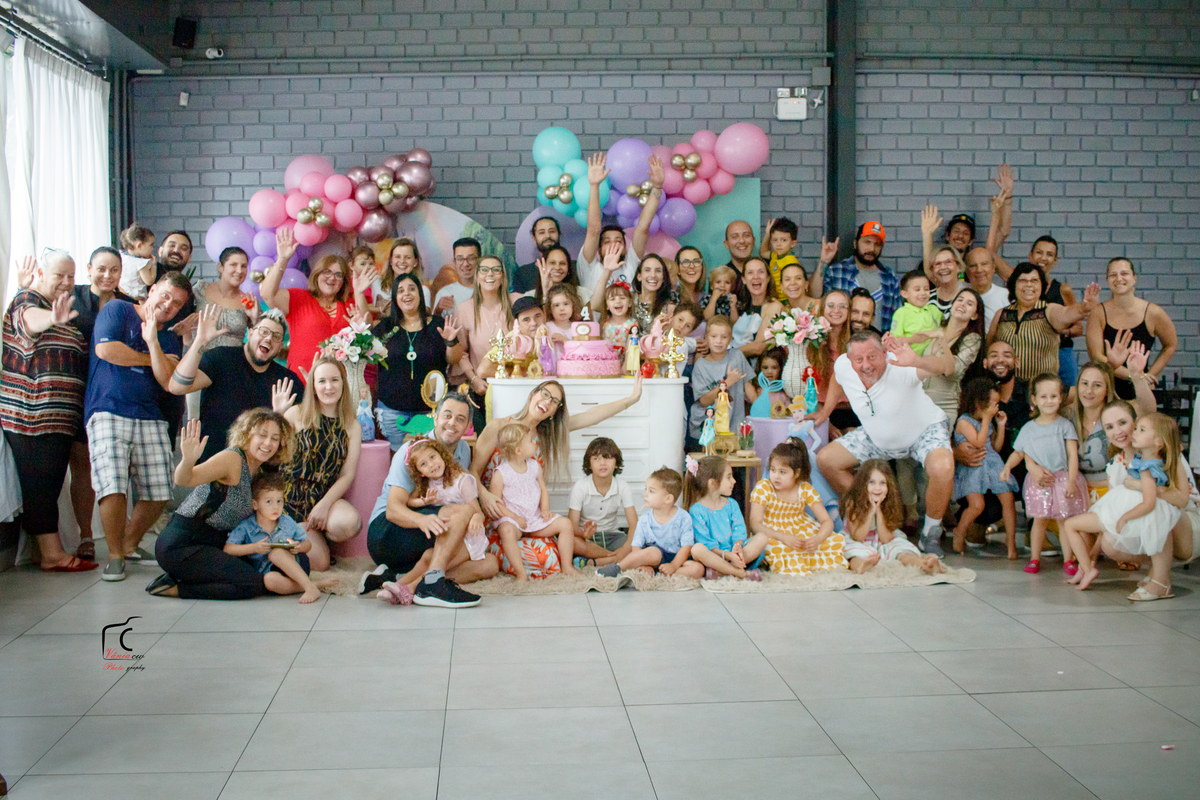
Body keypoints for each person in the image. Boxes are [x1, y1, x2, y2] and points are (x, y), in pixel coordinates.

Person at [87, 271, 192, 581]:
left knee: (161, 490)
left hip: (150, 414)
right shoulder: (118, 309)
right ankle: (115, 556)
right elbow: (107, 351)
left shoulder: (168, 336)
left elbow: (168, 380)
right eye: (165, 296)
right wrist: (152, 356)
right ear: (153, 289)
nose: (168, 305)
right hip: (108, 408)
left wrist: (156, 346)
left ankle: (129, 544)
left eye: (177, 304)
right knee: (112, 484)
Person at [815, 330, 956, 556]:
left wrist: (917, 360)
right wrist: (825, 413)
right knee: (826, 460)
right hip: (877, 434)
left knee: (942, 467)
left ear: (884, 353)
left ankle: (931, 532)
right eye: (859, 359)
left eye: (872, 357)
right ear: (850, 360)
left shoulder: (901, 365)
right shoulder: (843, 365)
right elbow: (836, 379)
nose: (866, 365)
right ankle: (871, 514)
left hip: (922, 431)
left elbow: (947, 368)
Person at [1, 251, 95, 572]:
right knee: (40, 484)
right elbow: (31, 321)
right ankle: (53, 555)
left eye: (71, 276)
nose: (66, 282)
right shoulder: (27, 301)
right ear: (41, 274)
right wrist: (52, 318)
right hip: (32, 414)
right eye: (59, 275)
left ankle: (43, 552)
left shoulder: (64, 309)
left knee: (50, 483)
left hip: (60, 417)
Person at [362, 392, 497, 607]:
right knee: (462, 512)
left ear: (467, 426)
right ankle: (433, 584)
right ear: (435, 417)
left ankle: (403, 581)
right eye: (447, 416)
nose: (452, 423)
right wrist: (422, 520)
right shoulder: (413, 452)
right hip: (386, 533)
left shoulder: (463, 450)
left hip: (428, 534)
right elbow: (393, 510)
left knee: (489, 563)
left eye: (460, 419)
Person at [148, 409, 294, 599]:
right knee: (252, 583)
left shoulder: (259, 470)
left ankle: (185, 577)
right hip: (182, 544)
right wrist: (188, 460)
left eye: (275, 438)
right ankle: (175, 588)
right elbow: (183, 479)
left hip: (214, 544)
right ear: (247, 434)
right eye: (262, 435)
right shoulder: (233, 458)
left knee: (269, 568)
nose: (268, 443)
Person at [1064, 413, 1183, 595]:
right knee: (1072, 525)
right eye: (1136, 428)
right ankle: (1085, 568)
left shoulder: (1147, 468)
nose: (1134, 433)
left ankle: (1088, 569)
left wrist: (1125, 517)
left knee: (1071, 525)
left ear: (1158, 442)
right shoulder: (1140, 462)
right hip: (1119, 506)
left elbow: (1149, 502)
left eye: (1141, 430)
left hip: (1126, 509)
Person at [65, 247, 134, 561]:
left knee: (118, 466)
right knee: (82, 463)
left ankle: (122, 536)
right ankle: (85, 535)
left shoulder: (128, 304)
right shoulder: (72, 298)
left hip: (114, 393)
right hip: (75, 389)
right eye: (101, 269)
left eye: (114, 270)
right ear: (89, 269)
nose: (108, 275)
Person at [163, 306, 300, 462]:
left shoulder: (287, 381)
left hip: (260, 469)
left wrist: (280, 416)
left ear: (280, 346)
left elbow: (304, 424)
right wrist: (200, 341)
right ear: (250, 333)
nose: (269, 338)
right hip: (213, 463)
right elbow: (177, 387)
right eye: (264, 331)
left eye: (276, 336)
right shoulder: (221, 358)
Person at [377, 437, 487, 604]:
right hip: (449, 536)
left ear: (441, 455)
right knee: (428, 556)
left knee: (442, 562)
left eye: (432, 457)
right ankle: (396, 587)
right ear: (420, 472)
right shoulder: (428, 484)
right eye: (423, 464)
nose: (431, 464)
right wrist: (425, 502)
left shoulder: (462, 480)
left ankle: (411, 588)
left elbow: (475, 510)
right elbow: (409, 501)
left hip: (469, 539)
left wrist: (478, 517)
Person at [999, 374, 1090, 574]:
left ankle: (1068, 559)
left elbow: (1072, 455)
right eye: (1044, 397)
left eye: (1053, 396)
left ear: (1061, 398)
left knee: (1064, 520)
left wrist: (1072, 481)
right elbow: (1018, 453)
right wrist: (1007, 467)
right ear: (1034, 399)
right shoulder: (1028, 428)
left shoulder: (1065, 425)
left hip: (1062, 479)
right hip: (1039, 482)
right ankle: (1034, 558)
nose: (1049, 401)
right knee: (1039, 520)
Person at [281, 356, 363, 572]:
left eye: (334, 380)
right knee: (320, 564)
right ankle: (296, 535)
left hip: (322, 497)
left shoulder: (352, 426)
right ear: (313, 386)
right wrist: (277, 415)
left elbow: (347, 474)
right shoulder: (296, 414)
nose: (329, 387)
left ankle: (316, 534)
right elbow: (272, 455)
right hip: (289, 499)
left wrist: (325, 504)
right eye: (322, 381)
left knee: (351, 522)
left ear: (343, 383)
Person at [259, 227, 370, 380]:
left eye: (339, 275)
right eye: (327, 272)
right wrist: (282, 259)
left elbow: (366, 326)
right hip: (301, 380)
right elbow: (267, 294)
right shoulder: (298, 297)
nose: (332, 278)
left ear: (343, 282)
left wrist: (359, 292)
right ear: (317, 275)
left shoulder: (347, 303)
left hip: (338, 382)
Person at [375, 273, 464, 448]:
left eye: (412, 289)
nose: (406, 294)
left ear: (420, 295)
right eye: (401, 290)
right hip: (392, 411)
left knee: (428, 457)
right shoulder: (386, 327)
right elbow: (366, 355)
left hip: (429, 413)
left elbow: (454, 359)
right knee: (396, 459)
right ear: (395, 298)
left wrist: (451, 341)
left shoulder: (438, 325)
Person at [489, 423, 578, 581]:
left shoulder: (534, 466)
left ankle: (567, 566)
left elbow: (543, 489)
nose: (535, 442)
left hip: (534, 518)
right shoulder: (501, 473)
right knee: (506, 531)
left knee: (566, 524)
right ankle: (521, 572)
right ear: (518, 450)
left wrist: (545, 510)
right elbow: (496, 503)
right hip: (512, 519)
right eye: (530, 441)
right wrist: (514, 518)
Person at [988, 262, 1099, 385]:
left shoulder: (1048, 310)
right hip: (1007, 389)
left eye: (1034, 281)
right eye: (1023, 280)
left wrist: (1083, 308)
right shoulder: (1002, 314)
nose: (1029, 284)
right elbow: (988, 348)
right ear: (1014, 285)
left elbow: (1066, 313)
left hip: (1042, 390)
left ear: (1042, 286)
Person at [1086, 256, 1178, 401]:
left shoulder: (1153, 313)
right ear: (1107, 280)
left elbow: (1171, 345)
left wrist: (1150, 375)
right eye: (1113, 275)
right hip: (1107, 389)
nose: (1119, 279)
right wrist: (1133, 375)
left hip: (1140, 390)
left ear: (1134, 278)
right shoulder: (1098, 313)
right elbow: (1096, 357)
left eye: (1124, 273)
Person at [224, 472, 325, 603]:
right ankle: (314, 585)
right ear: (255, 504)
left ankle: (309, 588)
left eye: (279, 501)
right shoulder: (246, 526)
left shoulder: (287, 521)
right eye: (269, 502)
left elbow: (308, 545)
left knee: (275, 553)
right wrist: (254, 548)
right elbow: (228, 549)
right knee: (269, 581)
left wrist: (298, 547)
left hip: (296, 564)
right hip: (270, 571)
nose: (275, 506)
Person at [750, 439, 846, 575]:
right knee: (779, 549)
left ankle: (809, 560)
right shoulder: (764, 488)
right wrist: (783, 537)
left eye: (783, 472)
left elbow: (826, 521)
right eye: (773, 470)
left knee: (836, 541)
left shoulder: (804, 489)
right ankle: (795, 563)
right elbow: (755, 523)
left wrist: (817, 539)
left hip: (801, 530)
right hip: (774, 533)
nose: (776, 476)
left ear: (796, 473)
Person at [951, 378, 1019, 557]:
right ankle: (959, 531)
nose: (995, 407)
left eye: (997, 403)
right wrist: (988, 419)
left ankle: (1011, 542)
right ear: (978, 402)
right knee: (977, 505)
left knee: (1008, 499)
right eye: (992, 403)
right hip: (974, 468)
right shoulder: (964, 422)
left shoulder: (986, 421)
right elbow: (979, 442)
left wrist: (1001, 426)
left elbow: (995, 447)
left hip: (993, 464)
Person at [597, 467, 704, 578]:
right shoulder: (645, 519)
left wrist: (673, 565)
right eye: (646, 489)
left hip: (676, 558)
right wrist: (642, 564)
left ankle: (661, 574)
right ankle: (619, 568)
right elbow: (636, 546)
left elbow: (686, 546)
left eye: (651, 491)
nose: (645, 494)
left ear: (668, 499)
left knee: (698, 569)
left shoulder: (684, 517)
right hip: (654, 557)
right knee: (654, 552)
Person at [840, 460, 942, 574]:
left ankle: (925, 565)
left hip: (882, 540)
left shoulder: (889, 502)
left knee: (901, 549)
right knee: (856, 554)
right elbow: (858, 537)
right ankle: (861, 566)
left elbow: (886, 539)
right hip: (859, 541)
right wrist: (871, 510)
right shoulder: (853, 502)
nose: (877, 488)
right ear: (862, 484)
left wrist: (878, 510)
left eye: (882, 483)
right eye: (872, 482)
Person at [683, 454, 769, 580]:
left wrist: (737, 547)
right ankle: (739, 573)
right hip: (713, 556)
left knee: (762, 538)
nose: (734, 481)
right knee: (697, 549)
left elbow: (739, 530)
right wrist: (726, 555)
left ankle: (723, 571)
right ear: (712, 483)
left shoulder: (731, 504)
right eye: (729, 477)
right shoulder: (696, 510)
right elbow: (705, 542)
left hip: (734, 555)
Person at [454, 254, 514, 429]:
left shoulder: (515, 302)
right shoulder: (464, 309)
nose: (490, 274)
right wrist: (473, 379)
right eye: (484, 270)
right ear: (477, 276)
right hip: (481, 387)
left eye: (496, 270)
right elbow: (461, 353)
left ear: (503, 276)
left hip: (513, 385)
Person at [813, 222, 901, 331]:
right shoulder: (837, 271)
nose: (871, 248)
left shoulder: (890, 277)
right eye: (867, 242)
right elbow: (815, 296)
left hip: (878, 340)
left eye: (877, 244)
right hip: (842, 340)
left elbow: (898, 316)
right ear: (855, 243)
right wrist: (823, 261)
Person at [567, 437, 637, 564]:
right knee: (569, 542)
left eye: (608, 458)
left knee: (637, 543)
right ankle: (613, 558)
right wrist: (584, 534)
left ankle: (596, 561)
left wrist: (625, 549)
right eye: (596, 458)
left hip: (613, 536)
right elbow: (572, 526)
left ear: (616, 463)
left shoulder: (622, 486)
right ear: (589, 464)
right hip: (587, 539)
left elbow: (634, 524)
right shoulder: (580, 487)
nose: (602, 463)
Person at [921, 288, 986, 422]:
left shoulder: (972, 339)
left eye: (969, 304)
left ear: (975, 316)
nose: (962, 304)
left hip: (943, 406)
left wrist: (942, 339)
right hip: (918, 400)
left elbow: (955, 370)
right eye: (960, 300)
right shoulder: (937, 327)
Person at [688, 316, 751, 447]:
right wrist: (728, 382)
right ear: (706, 338)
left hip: (733, 428)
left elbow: (748, 386)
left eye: (724, 337)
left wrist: (761, 409)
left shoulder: (736, 356)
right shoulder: (700, 365)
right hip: (706, 430)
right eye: (714, 336)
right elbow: (704, 400)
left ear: (730, 339)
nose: (718, 341)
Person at [193, 246, 259, 350]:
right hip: (199, 357)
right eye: (233, 265)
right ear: (220, 267)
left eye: (243, 266)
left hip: (234, 358)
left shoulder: (248, 301)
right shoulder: (200, 290)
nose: (239, 271)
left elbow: (258, 341)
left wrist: (255, 319)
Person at [890, 269, 943, 356]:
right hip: (908, 360)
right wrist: (912, 340)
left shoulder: (934, 310)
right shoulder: (901, 313)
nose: (923, 293)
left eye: (926, 289)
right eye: (917, 289)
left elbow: (944, 327)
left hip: (932, 359)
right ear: (905, 294)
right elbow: (893, 341)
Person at [376, 237, 433, 312]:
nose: (402, 261)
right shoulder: (376, 283)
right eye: (397, 257)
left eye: (407, 257)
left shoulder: (423, 291)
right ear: (391, 261)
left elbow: (423, 316)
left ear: (415, 262)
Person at [733, 257, 775, 357]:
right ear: (744, 279)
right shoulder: (743, 305)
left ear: (768, 278)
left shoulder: (773, 306)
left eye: (761, 272)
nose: (756, 277)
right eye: (750, 272)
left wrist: (725, 354)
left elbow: (758, 347)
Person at [511, 216, 562, 295]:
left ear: (559, 236)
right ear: (534, 238)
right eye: (542, 232)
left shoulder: (572, 268)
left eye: (552, 231)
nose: (548, 236)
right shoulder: (523, 273)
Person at [431, 237, 480, 315]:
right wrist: (438, 310)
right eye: (460, 259)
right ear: (454, 262)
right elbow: (435, 321)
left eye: (471, 258)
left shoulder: (490, 290)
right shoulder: (445, 293)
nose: (465, 264)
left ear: (479, 260)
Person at [963, 248, 1009, 331]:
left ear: (993, 268)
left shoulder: (1006, 297)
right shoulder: (959, 294)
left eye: (984, 264)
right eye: (973, 265)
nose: (979, 270)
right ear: (966, 271)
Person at [759, 217, 800, 300]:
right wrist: (767, 234)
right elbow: (763, 252)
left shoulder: (791, 263)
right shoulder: (775, 255)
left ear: (793, 243)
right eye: (775, 240)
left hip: (785, 300)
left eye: (784, 240)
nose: (778, 244)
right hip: (774, 298)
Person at [629, 253, 672, 331]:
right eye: (647, 270)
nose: (653, 275)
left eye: (658, 271)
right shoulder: (628, 299)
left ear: (663, 278)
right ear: (639, 276)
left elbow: (668, 336)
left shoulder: (668, 306)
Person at [922, 245, 967, 318]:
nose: (943, 267)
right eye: (938, 264)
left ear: (958, 266)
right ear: (933, 270)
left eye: (948, 262)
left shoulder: (969, 297)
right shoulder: (926, 299)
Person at [117, 222, 156, 299]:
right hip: (138, 297)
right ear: (139, 245)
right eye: (151, 245)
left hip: (121, 293)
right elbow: (149, 281)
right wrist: (154, 266)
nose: (152, 248)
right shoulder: (141, 263)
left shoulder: (121, 256)